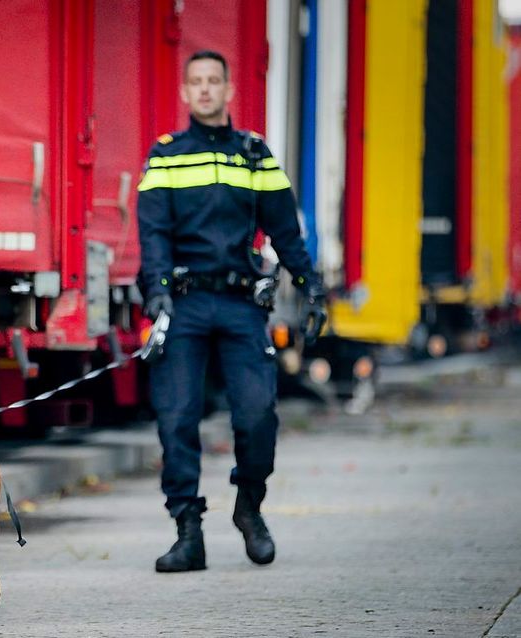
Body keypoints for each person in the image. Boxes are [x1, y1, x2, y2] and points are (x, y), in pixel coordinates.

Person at [136, 50, 326, 572]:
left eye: (213, 81)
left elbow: (285, 229)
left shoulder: (254, 155)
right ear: (185, 92)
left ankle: (250, 507)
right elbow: (152, 234)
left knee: (258, 413)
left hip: (242, 304)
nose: (203, 90)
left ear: (228, 89)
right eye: (195, 82)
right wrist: (156, 291)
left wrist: (312, 287)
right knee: (176, 418)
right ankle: (187, 533)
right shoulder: (166, 155)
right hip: (185, 304)